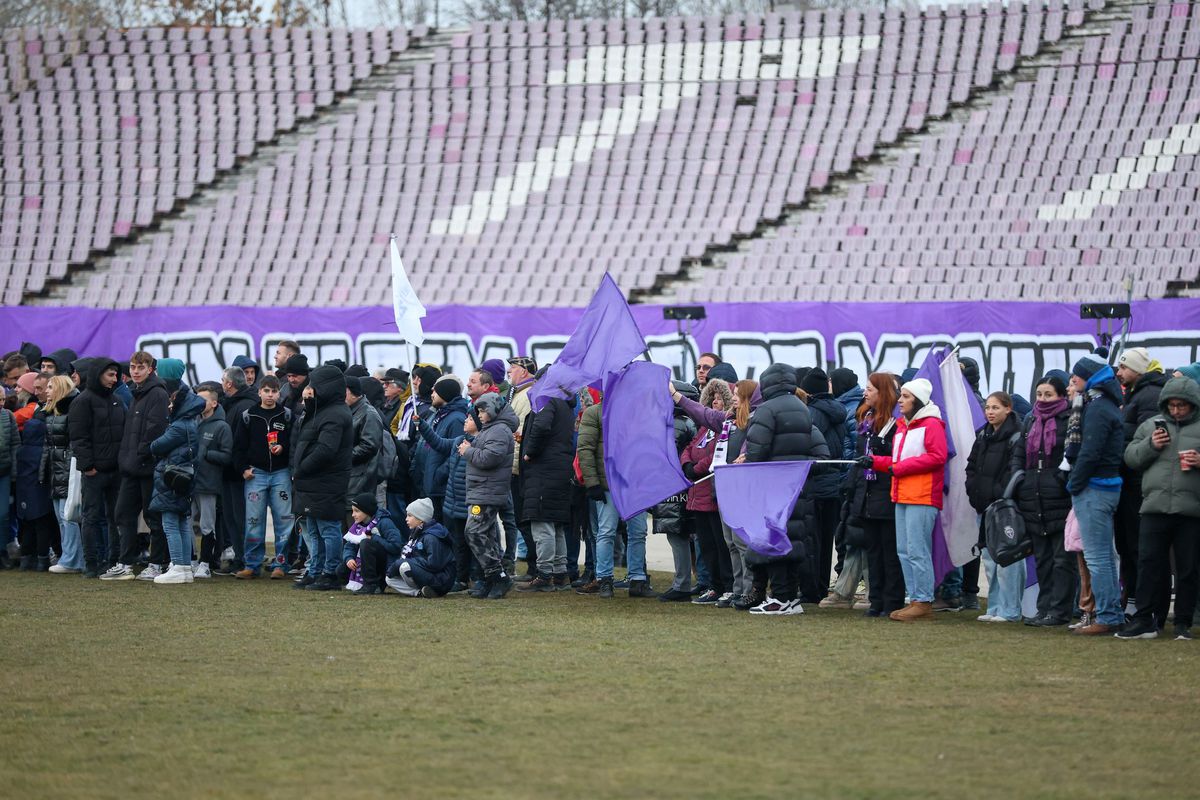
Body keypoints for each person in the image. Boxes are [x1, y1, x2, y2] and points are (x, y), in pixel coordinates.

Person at [742, 363, 832, 615]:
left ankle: (780, 598)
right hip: (795, 488)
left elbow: (757, 452)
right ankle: (791, 598)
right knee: (791, 539)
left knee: (775, 541)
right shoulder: (803, 410)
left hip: (772, 488)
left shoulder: (767, 410)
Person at [1117, 377, 1200, 639]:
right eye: (1172, 405)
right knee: (1149, 565)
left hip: (1191, 510)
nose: (1176, 410)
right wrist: (1152, 445)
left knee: (1188, 568)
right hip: (1154, 507)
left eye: (1182, 406)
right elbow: (1130, 457)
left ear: (1193, 405)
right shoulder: (1150, 426)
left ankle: (1183, 623)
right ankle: (1145, 619)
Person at [861, 377, 948, 622]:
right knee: (904, 551)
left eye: (906, 397)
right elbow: (897, 463)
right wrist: (875, 462)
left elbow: (937, 457)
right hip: (902, 493)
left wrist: (898, 468)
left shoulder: (931, 425)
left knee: (917, 550)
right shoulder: (903, 426)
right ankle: (915, 598)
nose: (900, 400)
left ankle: (923, 600)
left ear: (918, 400)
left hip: (922, 495)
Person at [1066, 353, 1126, 636]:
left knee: (1098, 557)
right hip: (1101, 487)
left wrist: (1074, 483)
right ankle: (1110, 613)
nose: (1073, 379)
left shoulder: (1099, 408)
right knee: (1103, 556)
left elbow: (1090, 451)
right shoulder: (1103, 404)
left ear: (1088, 377)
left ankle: (1108, 615)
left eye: (1076, 374)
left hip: (1095, 488)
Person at [1011, 376, 1077, 627]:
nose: (1042, 399)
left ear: (1061, 395)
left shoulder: (1070, 418)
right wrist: (1021, 481)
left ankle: (1059, 610)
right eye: (1039, 394)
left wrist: (1060, 480)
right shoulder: (1030, 419)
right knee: (1043, 558)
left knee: (1062, 559)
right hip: (1033, 493)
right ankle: (1044, 607)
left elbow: (1072, 454)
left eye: (1048, 394)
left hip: (1058, 495)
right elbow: (1019, 454)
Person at [574, 393, 654, 599]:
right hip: (608, 484)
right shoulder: (594, 413)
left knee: (637, 532)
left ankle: (636, 579)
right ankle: (605, 579)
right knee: (607, 532)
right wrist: (592, 484)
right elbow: (585, 449)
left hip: (634, 485)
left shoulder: (636, 413)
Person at [840, 373, 904, 616]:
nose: (865, 393)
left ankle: (892, 601)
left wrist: (877, 456)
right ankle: (875, 599)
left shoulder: (896, 425)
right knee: (872, 551)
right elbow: (859, 459)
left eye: (870, 389)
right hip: (865, 492)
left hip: (885, 492)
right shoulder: (866, 420)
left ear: (883, 392)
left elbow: (897, 458)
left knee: (889, 551)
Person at [1113, 346, 1169, 614]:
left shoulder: (1149, 396)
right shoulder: (1137, 394)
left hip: (1139, 483)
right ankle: (1134, 599)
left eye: (1124, 367)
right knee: (1129, 545)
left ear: (1138, 370)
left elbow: (1148, 440)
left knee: (1138, 547)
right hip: (1131, 480)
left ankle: (1144, 604)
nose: (1119, 372)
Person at [292, 366, 354, 591]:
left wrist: (301, 469)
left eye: (313, 386)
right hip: (312, 481)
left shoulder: (336, 413)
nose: (309, 390)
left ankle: (331, 573)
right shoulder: (320, 410)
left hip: (326, 479)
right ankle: (315, 570)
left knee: (328, 528)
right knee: (315, 529)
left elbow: (326, 450)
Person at [965, 392, 1025, 622]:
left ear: (1008, 409)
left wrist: (999, 494)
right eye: (988, 407)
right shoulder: (982, 435)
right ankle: (995, 607)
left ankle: (1011, 609)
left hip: (1004, 507)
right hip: (983, 506)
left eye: (996, 407)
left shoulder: (1017, 435)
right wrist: (973, 489)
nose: (990, 412)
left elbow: (1015, 469)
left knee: (1008, 558)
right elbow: (971, 466)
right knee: (990, 559)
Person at [111, 351, 170, 581]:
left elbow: (154, 431)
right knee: (123, 514)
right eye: (133, 367)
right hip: (130, 467)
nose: (135, 371)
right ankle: (126, 563)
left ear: (150, 369)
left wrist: (139, 456)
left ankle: (156, 563)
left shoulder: (157, 393)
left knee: (154, 517)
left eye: (140, 367)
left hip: (148, 467)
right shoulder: (137, 393)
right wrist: (125, 460)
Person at [517, 374, 577, 593]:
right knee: (557, 523)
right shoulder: (565, 402)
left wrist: (530, 452)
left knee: (542, 522)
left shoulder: (546, 398)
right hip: (561, 467)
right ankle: (561, 575)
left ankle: (544, 575)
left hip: (544, 469)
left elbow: (541, 427)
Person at [68, 358, 125, 578]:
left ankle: (113, 561)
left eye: (115, 374)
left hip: (115, 471)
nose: (114, 379)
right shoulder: (83, 401)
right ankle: (91, 563)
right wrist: (88, 466)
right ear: (98, 374)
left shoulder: (118, 400)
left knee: (115, 517)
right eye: (110, 374)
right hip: (94, 472)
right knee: (91, 517)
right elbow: (78, 437)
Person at [233, 375, 294, 579]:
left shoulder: (286, 416)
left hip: (281, 473)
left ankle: (280, 565)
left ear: (279, 393)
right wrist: (243, 469)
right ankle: (252, 564)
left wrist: (282, 448)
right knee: (253, 521)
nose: (270, 395)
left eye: (274, 391)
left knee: (284, 520)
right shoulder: (248, 415)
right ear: (259, 392)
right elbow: (238, 447)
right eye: (266, 391)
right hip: (255, 474)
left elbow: (294, 444)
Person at [680, 379, 734, 604]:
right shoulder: (704, 428)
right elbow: (690, 447)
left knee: (722, 544)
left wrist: (697, 468)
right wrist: (686, 465)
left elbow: (717, 454)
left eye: (720, 398)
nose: (716, 402)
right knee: (707, 545)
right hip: (698, 493)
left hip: (713, 493)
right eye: (712, 399)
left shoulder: (727, 426)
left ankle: (728, 586)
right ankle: (714, 586)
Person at [458, 393, 518, 599]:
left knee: (474, 532)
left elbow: (489, 458)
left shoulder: (499, 430)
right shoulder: (492, 429)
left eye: (482, 411)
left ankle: (499, 577)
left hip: (487, 491)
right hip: (482, 490)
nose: (479, 415)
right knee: (486, 535)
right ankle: (492, 578)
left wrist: (468, 451)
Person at [147, 378, 204, 584]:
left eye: (171, 403)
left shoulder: (179, 426)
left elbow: (156, 446)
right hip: (182, 479)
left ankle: (179, 566)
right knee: (181, 521)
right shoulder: (191, 423)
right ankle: (184, 567)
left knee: (170, 522)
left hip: (171, 479)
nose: (169, 406)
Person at [800, 367, 849, 601]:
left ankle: (812, 590)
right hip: (833, 482)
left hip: (817, 482)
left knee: (813, 540)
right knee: (826, 540)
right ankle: (820, 586)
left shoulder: (812, 413)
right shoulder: (837, 410)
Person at [655, 381, 700, 602]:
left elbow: (664, 452)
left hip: (674, 486)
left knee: (677, 534)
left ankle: (682, 584)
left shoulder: (677, 424)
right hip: (680, 485)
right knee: (683, 535)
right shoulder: (685, 422)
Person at [218, 365, 259, 574]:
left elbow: (241, 442)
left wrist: (240, 464)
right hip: (231, 470)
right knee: (232, 517)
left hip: (241, 472)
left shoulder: (244, 405)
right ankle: (241, 556)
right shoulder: (237, 403)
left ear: (229, 383)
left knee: (241, 518)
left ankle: (246, 559)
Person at [42, 375, 84, 574]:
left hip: (67, 469)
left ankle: (73, 559)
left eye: (50, 387)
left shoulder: (72, 411)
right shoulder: (50, 412)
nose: (46, 390)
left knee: (68, 516)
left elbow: (73, 443)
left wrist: (69, 469)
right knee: (61, 516)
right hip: (56, 468)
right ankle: (69, 556)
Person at [412, 376, 468, 522]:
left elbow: (456, 452)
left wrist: (438, 475)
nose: (432, 394)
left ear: (445, 394)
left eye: (435, 391)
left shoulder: (456, 419)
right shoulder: (440, 415)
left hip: (441, 487)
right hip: (431, 483)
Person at [15, 378, 55, 571]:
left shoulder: (36, 415)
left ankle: (27, 558)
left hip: (31, 476)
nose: (40, 392)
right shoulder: (39, 412)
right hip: (39, 478)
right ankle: (41, 559)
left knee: (30, 520)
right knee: (41, 519)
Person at [192, 383, 231, 579]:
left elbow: (226, 456)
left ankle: (205, 562)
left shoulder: (221, 426)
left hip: (208, 484)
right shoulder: (193, 421)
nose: (199, 403)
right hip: (190, 482)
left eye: (204, 400)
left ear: (214, 403)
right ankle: (191, 560)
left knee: (207, 525)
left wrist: (206, 453)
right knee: (187, 523)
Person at [382, 496, 456, 597]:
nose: (406, 519)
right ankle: (420, 592)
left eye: (409, 516)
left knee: (405, 566)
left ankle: (434, 590)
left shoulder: (431, 537)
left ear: (421, 519)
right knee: (389, 579)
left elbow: (434, 564)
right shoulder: (416, 532)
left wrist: (408, 562)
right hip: (429, 574)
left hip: (441, 579)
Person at [505, 356, 538, 576]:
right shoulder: (518, 393)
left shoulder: (526, 396)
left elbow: (519, 433)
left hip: (519, 468)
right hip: (515, 465)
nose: (509, 372)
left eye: (513, 368)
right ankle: (535, 567)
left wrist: (514, 465)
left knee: (524, 519)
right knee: (520, 518)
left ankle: (536, 568)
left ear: (524, 372)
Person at [338, 492, 406, 595]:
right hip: (363, 562)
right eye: (352, 511)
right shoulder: (357, 525)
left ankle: (372, 584)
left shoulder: (385, 522)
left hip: (384, 565)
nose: (353, 515)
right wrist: (349, 558)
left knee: (366, 543)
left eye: (357, 511)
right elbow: (349, 545)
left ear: (367, 511)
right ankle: (358, 582)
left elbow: (396, 547)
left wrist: (373, 538)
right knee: (340, 571)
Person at [344, 375, 385, 526]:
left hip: (359, 480)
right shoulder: (349, 410)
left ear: (348, 391)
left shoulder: (368, 413)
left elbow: (369, 446)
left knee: (355, 530)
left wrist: (342, 457)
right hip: (349, 478)